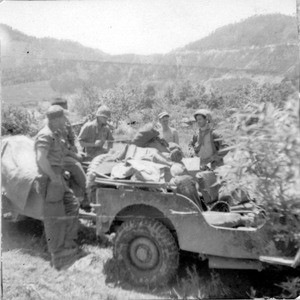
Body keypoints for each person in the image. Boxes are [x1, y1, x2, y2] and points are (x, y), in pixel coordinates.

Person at [35, 105, 82, 270]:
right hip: (50, 179)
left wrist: (71, 161)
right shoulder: (45, 135)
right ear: (55, 119)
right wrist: (54, 176)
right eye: (63, 118)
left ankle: (68, 245)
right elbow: (41, 159)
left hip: (59, 176)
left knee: (72, 206)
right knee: (53, 218)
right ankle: (57, 255)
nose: (65, 120)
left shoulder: (58, 133)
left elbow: (62, 152)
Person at [50, 97, 87, 207]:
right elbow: (59, 147)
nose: (65, 112)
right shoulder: (52, 125)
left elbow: (73, 136)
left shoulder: (65, 121)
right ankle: (89, 193)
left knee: (85, 162)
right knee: (76, 165)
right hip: (57, 156)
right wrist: (74, 155)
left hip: (66, 152)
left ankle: (79, 197)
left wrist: (77, 149)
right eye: (63, 109)